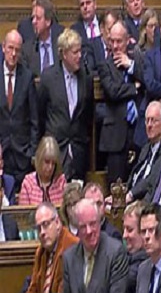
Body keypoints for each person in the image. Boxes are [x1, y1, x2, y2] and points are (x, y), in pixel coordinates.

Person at [37, 28, 94, 181]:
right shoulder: (48, 78)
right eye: (75, 52)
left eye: (80, 51)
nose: (79, 56)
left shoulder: (86, 78)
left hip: (78, 150)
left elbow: (88, 115)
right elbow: (40, 114)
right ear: (63, 54)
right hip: (55, 150)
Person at [98, 20, 145, 185]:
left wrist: (131, 65)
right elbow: (113, 91)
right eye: (112, 41)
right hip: (116, 136)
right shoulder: (105, 65)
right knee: (116, 186)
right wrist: (135, 88)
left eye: (119, 41)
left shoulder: (136, 61)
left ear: (128, 40)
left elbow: (149, 79)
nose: (115, 46)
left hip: (139, 132)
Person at [0, 29, 38, 187]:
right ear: (3, 47)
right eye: (10, 48)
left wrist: (31, 153)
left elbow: (34, 120)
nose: (13, 54)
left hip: (22, 155)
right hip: (1, 154)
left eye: (17, 50)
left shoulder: (27, 77)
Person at [18, 136, 66, 206]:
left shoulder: (61, 181)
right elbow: (24, 212)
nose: (50, 167)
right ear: (39, 159)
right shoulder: (28, 182)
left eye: (53, 163)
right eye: (47, 162)